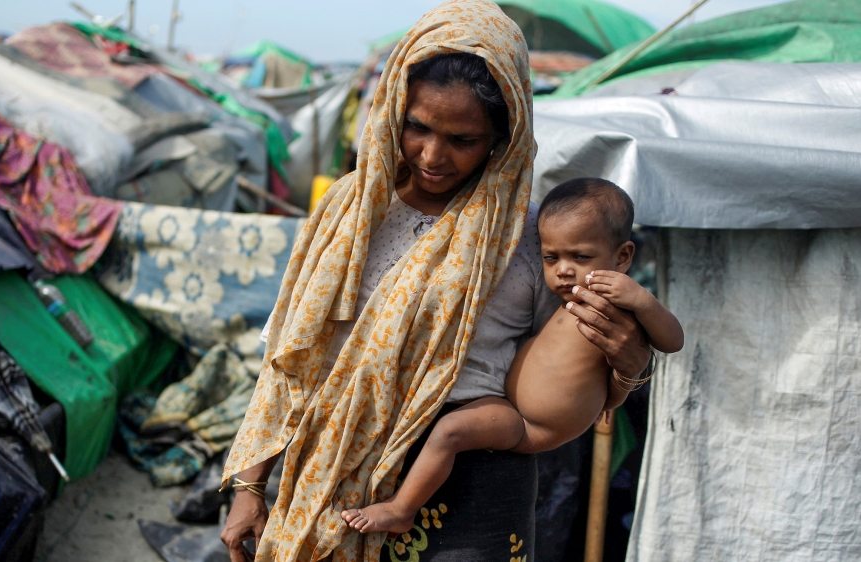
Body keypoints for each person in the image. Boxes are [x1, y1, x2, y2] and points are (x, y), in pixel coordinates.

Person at [220, 1, 652, 560]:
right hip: (334, 474)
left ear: (504, 136)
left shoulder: (532, 241)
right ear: (392, 109)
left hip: (474, 482)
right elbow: (291, 361)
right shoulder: (348, 214)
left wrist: (632, 361)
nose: (432, 155)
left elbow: (578, 363)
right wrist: (251, 487)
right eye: (417, 127)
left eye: (463, 140)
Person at [340, 178, 684, 534]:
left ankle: (401, 509)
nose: (564, 269)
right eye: (551, 257)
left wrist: (642, 300)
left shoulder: (620, 305)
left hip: (531, 428)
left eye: (580, 256)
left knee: (450, 431)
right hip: (507, 407)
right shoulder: (565, 299)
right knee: (448, 432)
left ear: (623, 256)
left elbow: (671, 341)